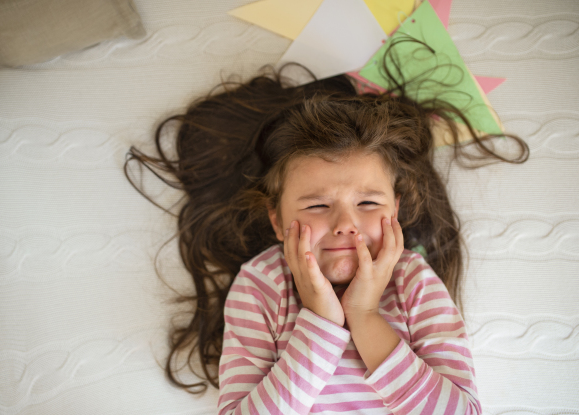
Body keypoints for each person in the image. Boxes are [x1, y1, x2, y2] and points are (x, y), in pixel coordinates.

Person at [125, 52, 529, 414]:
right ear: (278, 221)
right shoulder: (261, 285)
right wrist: (320, 320)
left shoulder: (413, 283)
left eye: (368, 203)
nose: (344, 224)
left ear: (396, 211)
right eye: (317, 206)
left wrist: (365, 315)